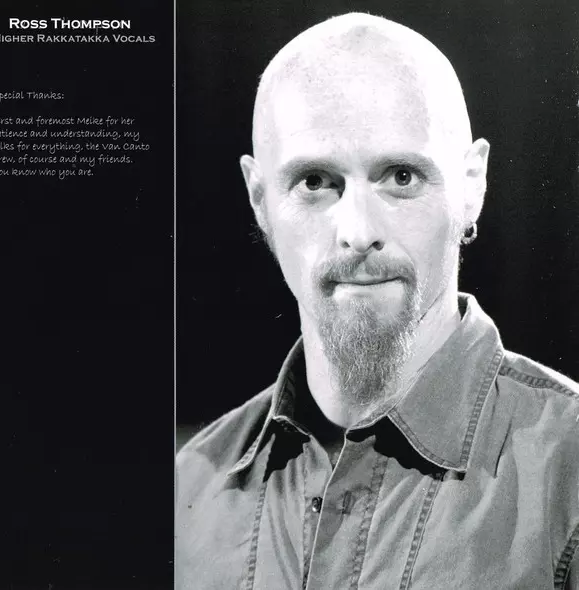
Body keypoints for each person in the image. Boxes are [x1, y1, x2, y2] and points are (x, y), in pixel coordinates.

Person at [176, 13, 579, 589]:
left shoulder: (569, 473)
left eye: (401, 177)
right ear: (260, 199)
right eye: (315, 182)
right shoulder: (185, 495)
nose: (358, 231)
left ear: (472, 185)